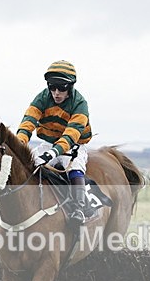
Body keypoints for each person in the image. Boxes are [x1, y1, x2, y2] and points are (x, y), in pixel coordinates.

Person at [16, 60, 93, 224]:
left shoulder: (80, 104)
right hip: (49, 142)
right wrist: (18, 144)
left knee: (74, 166)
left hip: (74, 145)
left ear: (70, 87)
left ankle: (79, 209)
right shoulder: (42, 98)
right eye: (52, 87)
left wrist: (53, 153)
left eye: (62, 88)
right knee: (28, 165)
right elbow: (28, 122)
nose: (56, 93)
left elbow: (71, 134)